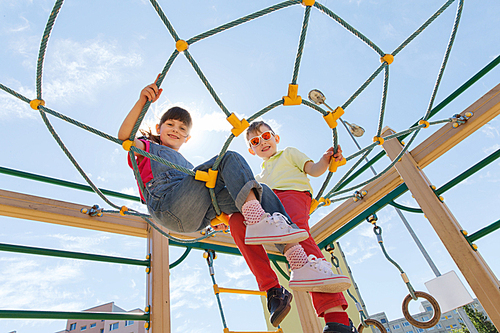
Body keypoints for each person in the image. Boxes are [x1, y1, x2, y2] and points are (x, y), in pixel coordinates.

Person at [118, 77, 351, 327]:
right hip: (167, 203)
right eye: (170, 125)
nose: (175, 130)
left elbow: (210, 198)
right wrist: (143, 100)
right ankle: (260, 221)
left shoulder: (186, 166)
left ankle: (297, 265)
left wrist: (220, 219)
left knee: (260, 193)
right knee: (228, 158)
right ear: (159, 127)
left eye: (182, 129)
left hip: (192, 218)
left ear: (188, 138)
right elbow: (124, 136)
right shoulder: (146, 147)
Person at [229, 120, 358, 333]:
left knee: (298, 237)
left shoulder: (289, 153)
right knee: (236, 222)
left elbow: (314, 170)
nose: (262, 142)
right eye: (255, 141)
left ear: (276, 138)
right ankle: (273, 290)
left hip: (292, 195)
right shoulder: (258, 177)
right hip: (269, 205)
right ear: (251, 150)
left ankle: (338, 318)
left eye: (266, 136)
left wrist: (326, 160)